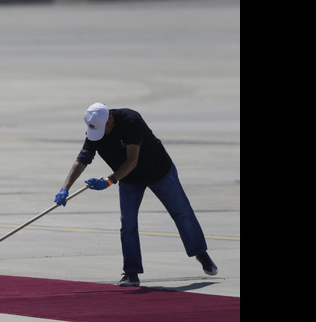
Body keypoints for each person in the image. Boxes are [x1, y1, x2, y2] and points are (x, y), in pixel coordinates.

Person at [54, 103, 217, 287]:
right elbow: (83, 157)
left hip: (159, 171)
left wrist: (108, 181)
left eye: (103, 129)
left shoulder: (131, 120)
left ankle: (201, 253)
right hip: (129, 179)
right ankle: (131, 272)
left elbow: (132, 161)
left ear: (110, 118)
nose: (100, 134)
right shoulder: (96, 129)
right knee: (128, 223)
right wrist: (65, 188)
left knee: (182, 212)